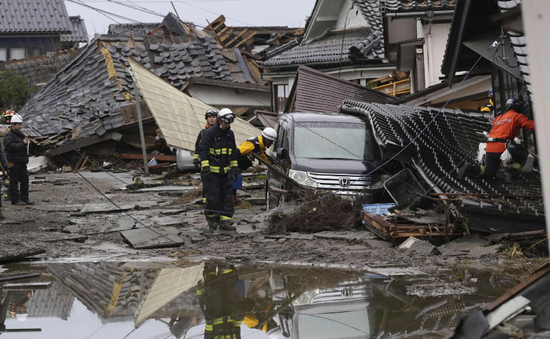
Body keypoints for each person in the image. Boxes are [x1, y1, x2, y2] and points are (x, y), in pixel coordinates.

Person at [458, 98, 535, 181]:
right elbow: (532, 126)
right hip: (502, 148)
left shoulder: (497, 118)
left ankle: (471, 167)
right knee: (523, 152)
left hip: (490, 148)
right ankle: (512, 175)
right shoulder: (517, 116)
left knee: (489, 173)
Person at [199, 108, 239, 232]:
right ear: (220, 120)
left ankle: (224, 221)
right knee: (213, 198)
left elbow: (233, 152)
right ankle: (211, 221)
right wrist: (205, 167)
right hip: (211, 174)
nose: (227, 125)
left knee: (228, 198)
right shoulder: (209, 133)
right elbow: (203, 151)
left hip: (225, 173)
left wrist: (235, 168)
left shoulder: (230, 134)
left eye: (229, 123)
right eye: (226, 123)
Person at [4, 114, 33, 206]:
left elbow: (23, 145)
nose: (20, 126)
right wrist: (22, 143)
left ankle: (24, 198)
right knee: (14, 181)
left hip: (22, 161)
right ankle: (15, 199)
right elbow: (10, 147)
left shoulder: (21, 134)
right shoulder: (8, 136)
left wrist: (28, 143)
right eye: (18, 124)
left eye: (21, 124)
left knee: (25, 180)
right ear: (13, 124)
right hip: (13, 162)